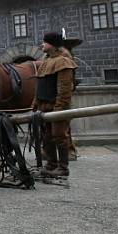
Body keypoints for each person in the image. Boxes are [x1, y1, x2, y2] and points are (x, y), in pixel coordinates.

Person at [32, 31, 78, 179]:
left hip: (56, 108)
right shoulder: (46, 61)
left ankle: (63, 168)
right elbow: (40, 86)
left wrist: (59, 109)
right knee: (46, 138)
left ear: (51, 44)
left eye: (44, 42)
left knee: (59, 136)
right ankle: (51, 165)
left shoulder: (63, 62)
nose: (42, 44)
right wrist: (35, 104)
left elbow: (64, 90)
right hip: (44, 108)